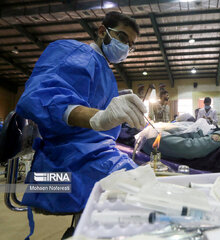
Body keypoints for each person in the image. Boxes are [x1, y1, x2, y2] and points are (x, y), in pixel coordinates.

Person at [16, 12, 147, 214]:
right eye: (122, 38)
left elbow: (102, 129)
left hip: (94, 157)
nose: (126, 48)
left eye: (130, 44)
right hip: (59, 171)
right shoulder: (73, 52)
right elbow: (42, 99)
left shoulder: (104, 72)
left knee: (145, 186)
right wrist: (98, 118)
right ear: (102, 31)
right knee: (137, 196)